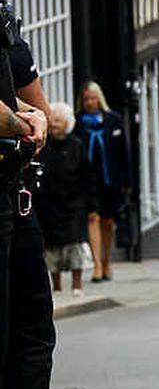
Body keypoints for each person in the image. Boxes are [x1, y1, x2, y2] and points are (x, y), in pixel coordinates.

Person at [0, 27, 73, 389]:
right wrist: (24, 123)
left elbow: (37, 106)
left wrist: (34, 119)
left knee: (32, 328)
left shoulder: (5, 26)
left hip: (13, 186)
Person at [36, 102, 96, 297]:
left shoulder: (77, 146)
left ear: (67, 123)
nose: (53, 124)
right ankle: (57, 286)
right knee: (51, 248)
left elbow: (88, 176)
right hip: (48, 205)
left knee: (74, 245)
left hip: (73, 205)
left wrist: (91, 205)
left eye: (58, 120)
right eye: (52, 119)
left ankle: (77, 285)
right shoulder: (44, 147)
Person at [75, 81, 130, 283]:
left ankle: (107, 260)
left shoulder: (113, 120)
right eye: (86, 99)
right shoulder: (78, 123)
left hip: (111, 179)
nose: (90, 102)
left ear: (99, 98)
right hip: (88, 180)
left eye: (93, 98)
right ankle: (97, 264)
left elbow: (124, 153)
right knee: (93, 218)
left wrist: (127, 182)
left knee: (108, 221)